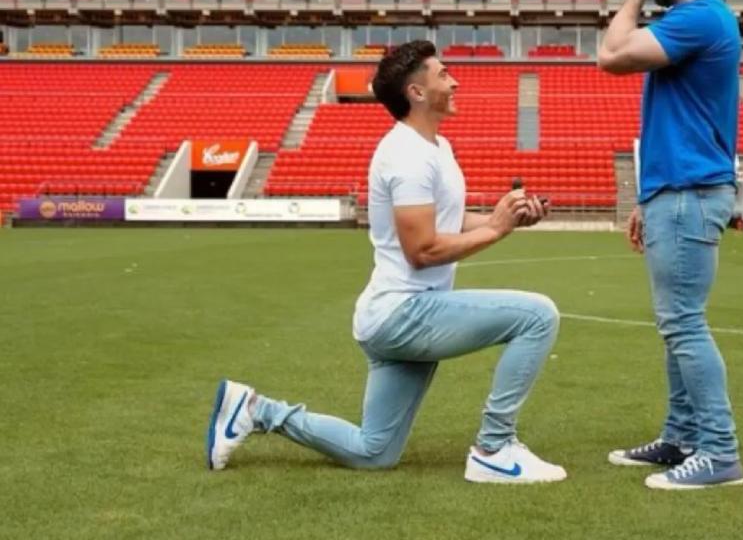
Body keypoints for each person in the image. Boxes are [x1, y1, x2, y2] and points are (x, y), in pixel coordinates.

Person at [206, 40, 566, 484]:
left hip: (394, 317)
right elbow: (424, 251)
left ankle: (256, 410)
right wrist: (495, 230)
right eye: (442, 74)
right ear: (416, 93)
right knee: (537, 315)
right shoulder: (407, 156)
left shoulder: (436, 148)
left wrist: (504, 218)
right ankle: (495, 448)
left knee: (373, 452)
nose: (454, 81)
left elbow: (447, 221)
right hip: (404, 313)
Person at [597, 0, 743, 490]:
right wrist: (646, 196)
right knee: (675, 323)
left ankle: (720, 452)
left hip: (689, 192)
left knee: (683, 323)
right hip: (674, 189)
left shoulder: (699, 19)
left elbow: (608, 56)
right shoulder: (693, 19)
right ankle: (683, 436)